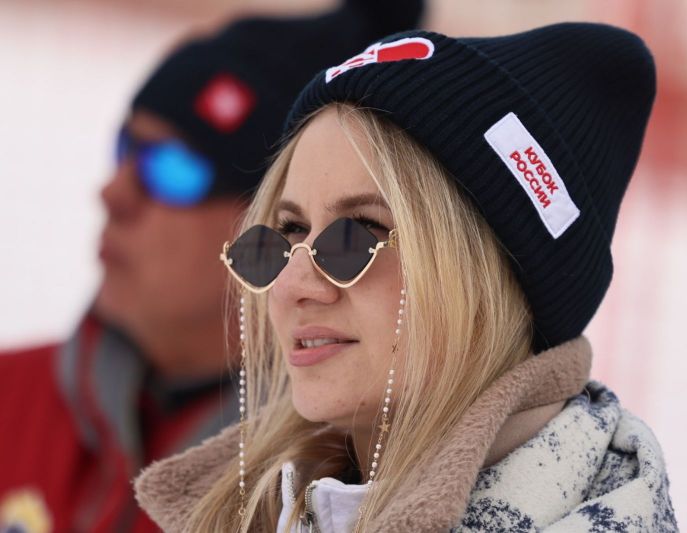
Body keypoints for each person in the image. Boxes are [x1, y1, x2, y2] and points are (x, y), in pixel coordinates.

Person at [135, 23, 678, 532]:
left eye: (357, 234)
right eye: (289, 230)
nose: (292, 284)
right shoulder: (260, 505)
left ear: (489, 277)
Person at [0, 2, 423, 532]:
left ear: (279, 226)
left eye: (171, 169)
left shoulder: (341, 493)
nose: (114, 193)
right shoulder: (10, 397)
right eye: (125, 148)